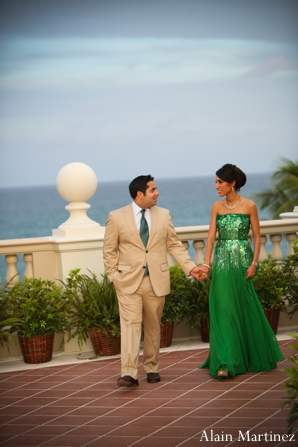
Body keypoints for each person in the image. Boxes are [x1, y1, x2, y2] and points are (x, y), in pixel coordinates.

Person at [103, 175, 201, 388]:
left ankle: (152, 367)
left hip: (156, 279)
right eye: (153, 190)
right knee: (130, 326)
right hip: (128, 281)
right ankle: (128, 373)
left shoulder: (164, 215)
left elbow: (174, 244)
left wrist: (191, 267)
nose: (157, 193)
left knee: (153, 325)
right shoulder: (116, 217)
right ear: (140, 194)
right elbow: (109, 250)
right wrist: (113, 277)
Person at [197, 164, 284, 379]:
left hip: (243, 262)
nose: (216, 186)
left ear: (232, 183)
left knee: (244, 308)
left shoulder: (250, 206)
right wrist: (207, 264)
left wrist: (254, 263)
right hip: (222, 264)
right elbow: (210, 238)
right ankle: (226, 361)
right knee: (224, 309)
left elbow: (257, 236)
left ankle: (249, 356)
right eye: (216, 182)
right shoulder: (216, 207)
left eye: (220, 182)